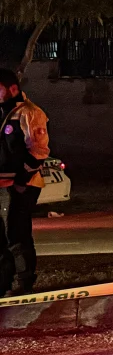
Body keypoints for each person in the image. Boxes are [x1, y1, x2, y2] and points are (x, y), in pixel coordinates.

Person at [0, 68, 49, 296]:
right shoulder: (3, 113)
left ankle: (23, 284)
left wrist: (21, 181)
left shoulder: (30, 113)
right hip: (2, 185)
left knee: (17, 236)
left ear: (12, 89)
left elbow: (39, 151)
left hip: (22, 185)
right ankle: (4, 283)